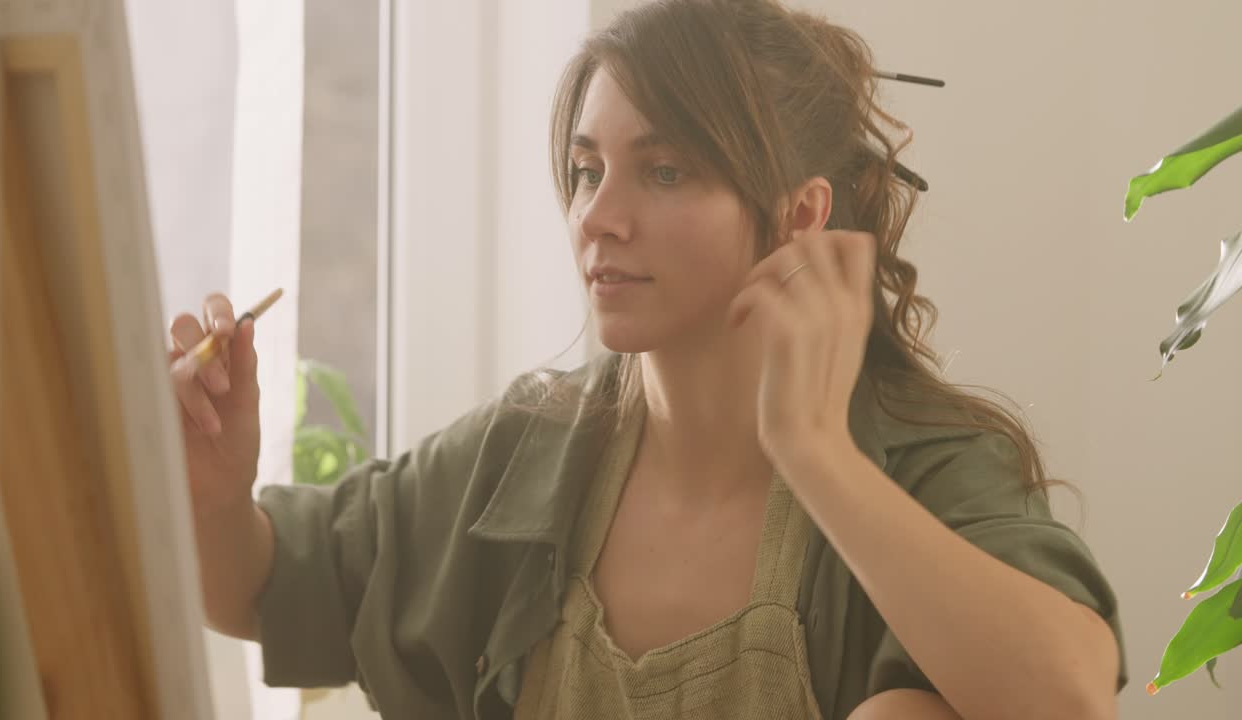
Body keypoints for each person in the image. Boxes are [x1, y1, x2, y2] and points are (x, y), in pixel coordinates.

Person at [170, 1, 1126, 718]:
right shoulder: (524, 456)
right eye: (588, 169)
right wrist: (215, 494)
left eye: (665, 171)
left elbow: (1070, 695)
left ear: (799, 214)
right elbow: (266, 587)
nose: (598, 215)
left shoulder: (918, 462)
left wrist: (815, 453)